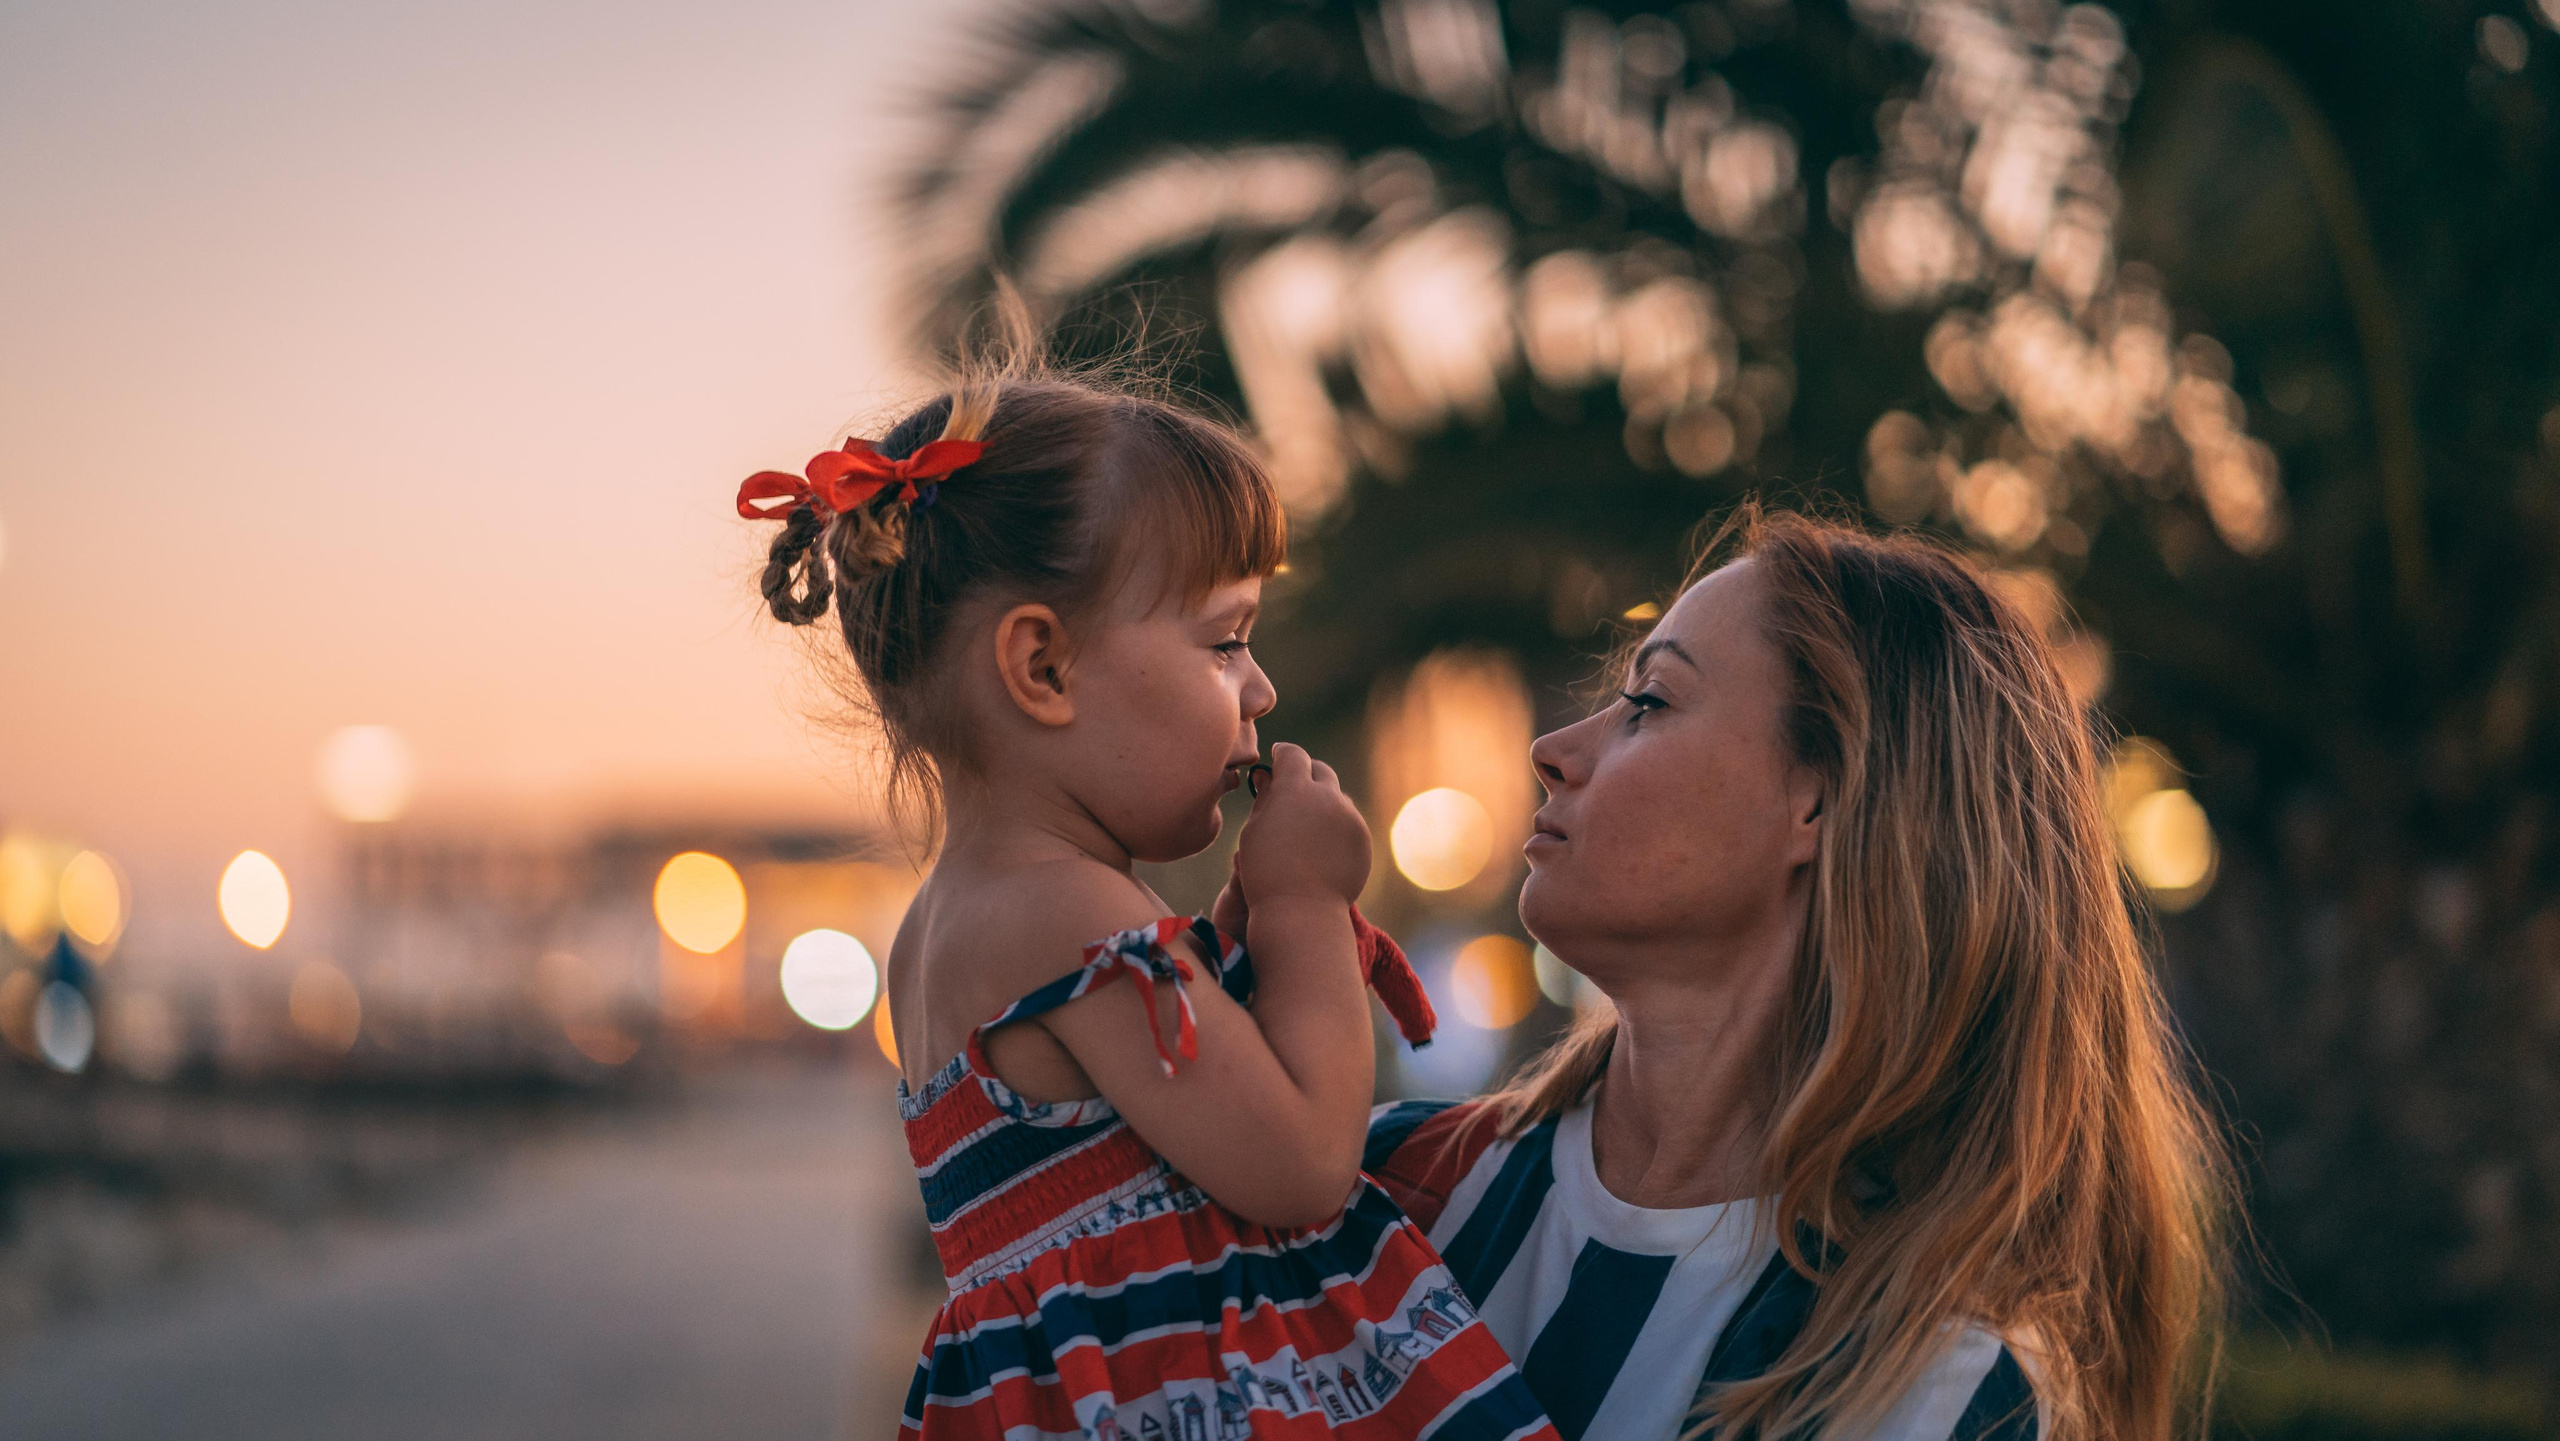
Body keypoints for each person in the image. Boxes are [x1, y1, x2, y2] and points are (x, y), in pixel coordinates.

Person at [739, 366, 1558, 1441]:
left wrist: (1233, 937)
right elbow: (1304, 1164)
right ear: (1043, 666)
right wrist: (1309, 906)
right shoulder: (1067, 913)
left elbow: (1151, 1123)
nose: (1259, 688)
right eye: (1225, 641)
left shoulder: (958, 920)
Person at [1367, 507, 2233, 1441]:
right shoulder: (1390, 1189)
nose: (1554, 750)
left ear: (1821, 797)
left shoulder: (1938, 1398)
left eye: (1649, 701)